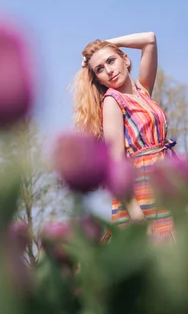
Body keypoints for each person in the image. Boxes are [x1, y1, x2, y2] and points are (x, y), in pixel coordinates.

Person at [71, 32, 176, 243]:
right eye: (99, 69)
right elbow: (115, 163)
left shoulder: (143, 91)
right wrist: (134, 210)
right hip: (141, 190)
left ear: (125, 59)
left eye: (111, 61)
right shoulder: (112, 101)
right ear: (97, 78)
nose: (108, 71)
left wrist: (110, 43)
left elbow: (150, 40)